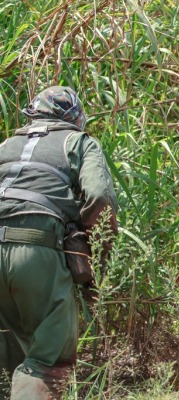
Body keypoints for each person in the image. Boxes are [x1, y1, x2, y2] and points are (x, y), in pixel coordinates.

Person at [0, 86, 118, 399]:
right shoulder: (78, 141)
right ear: (76, 118)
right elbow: (100, 197)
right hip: (36, 250)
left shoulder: (6, 145)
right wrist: (99, 259)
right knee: (48, 360)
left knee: (11, 352)